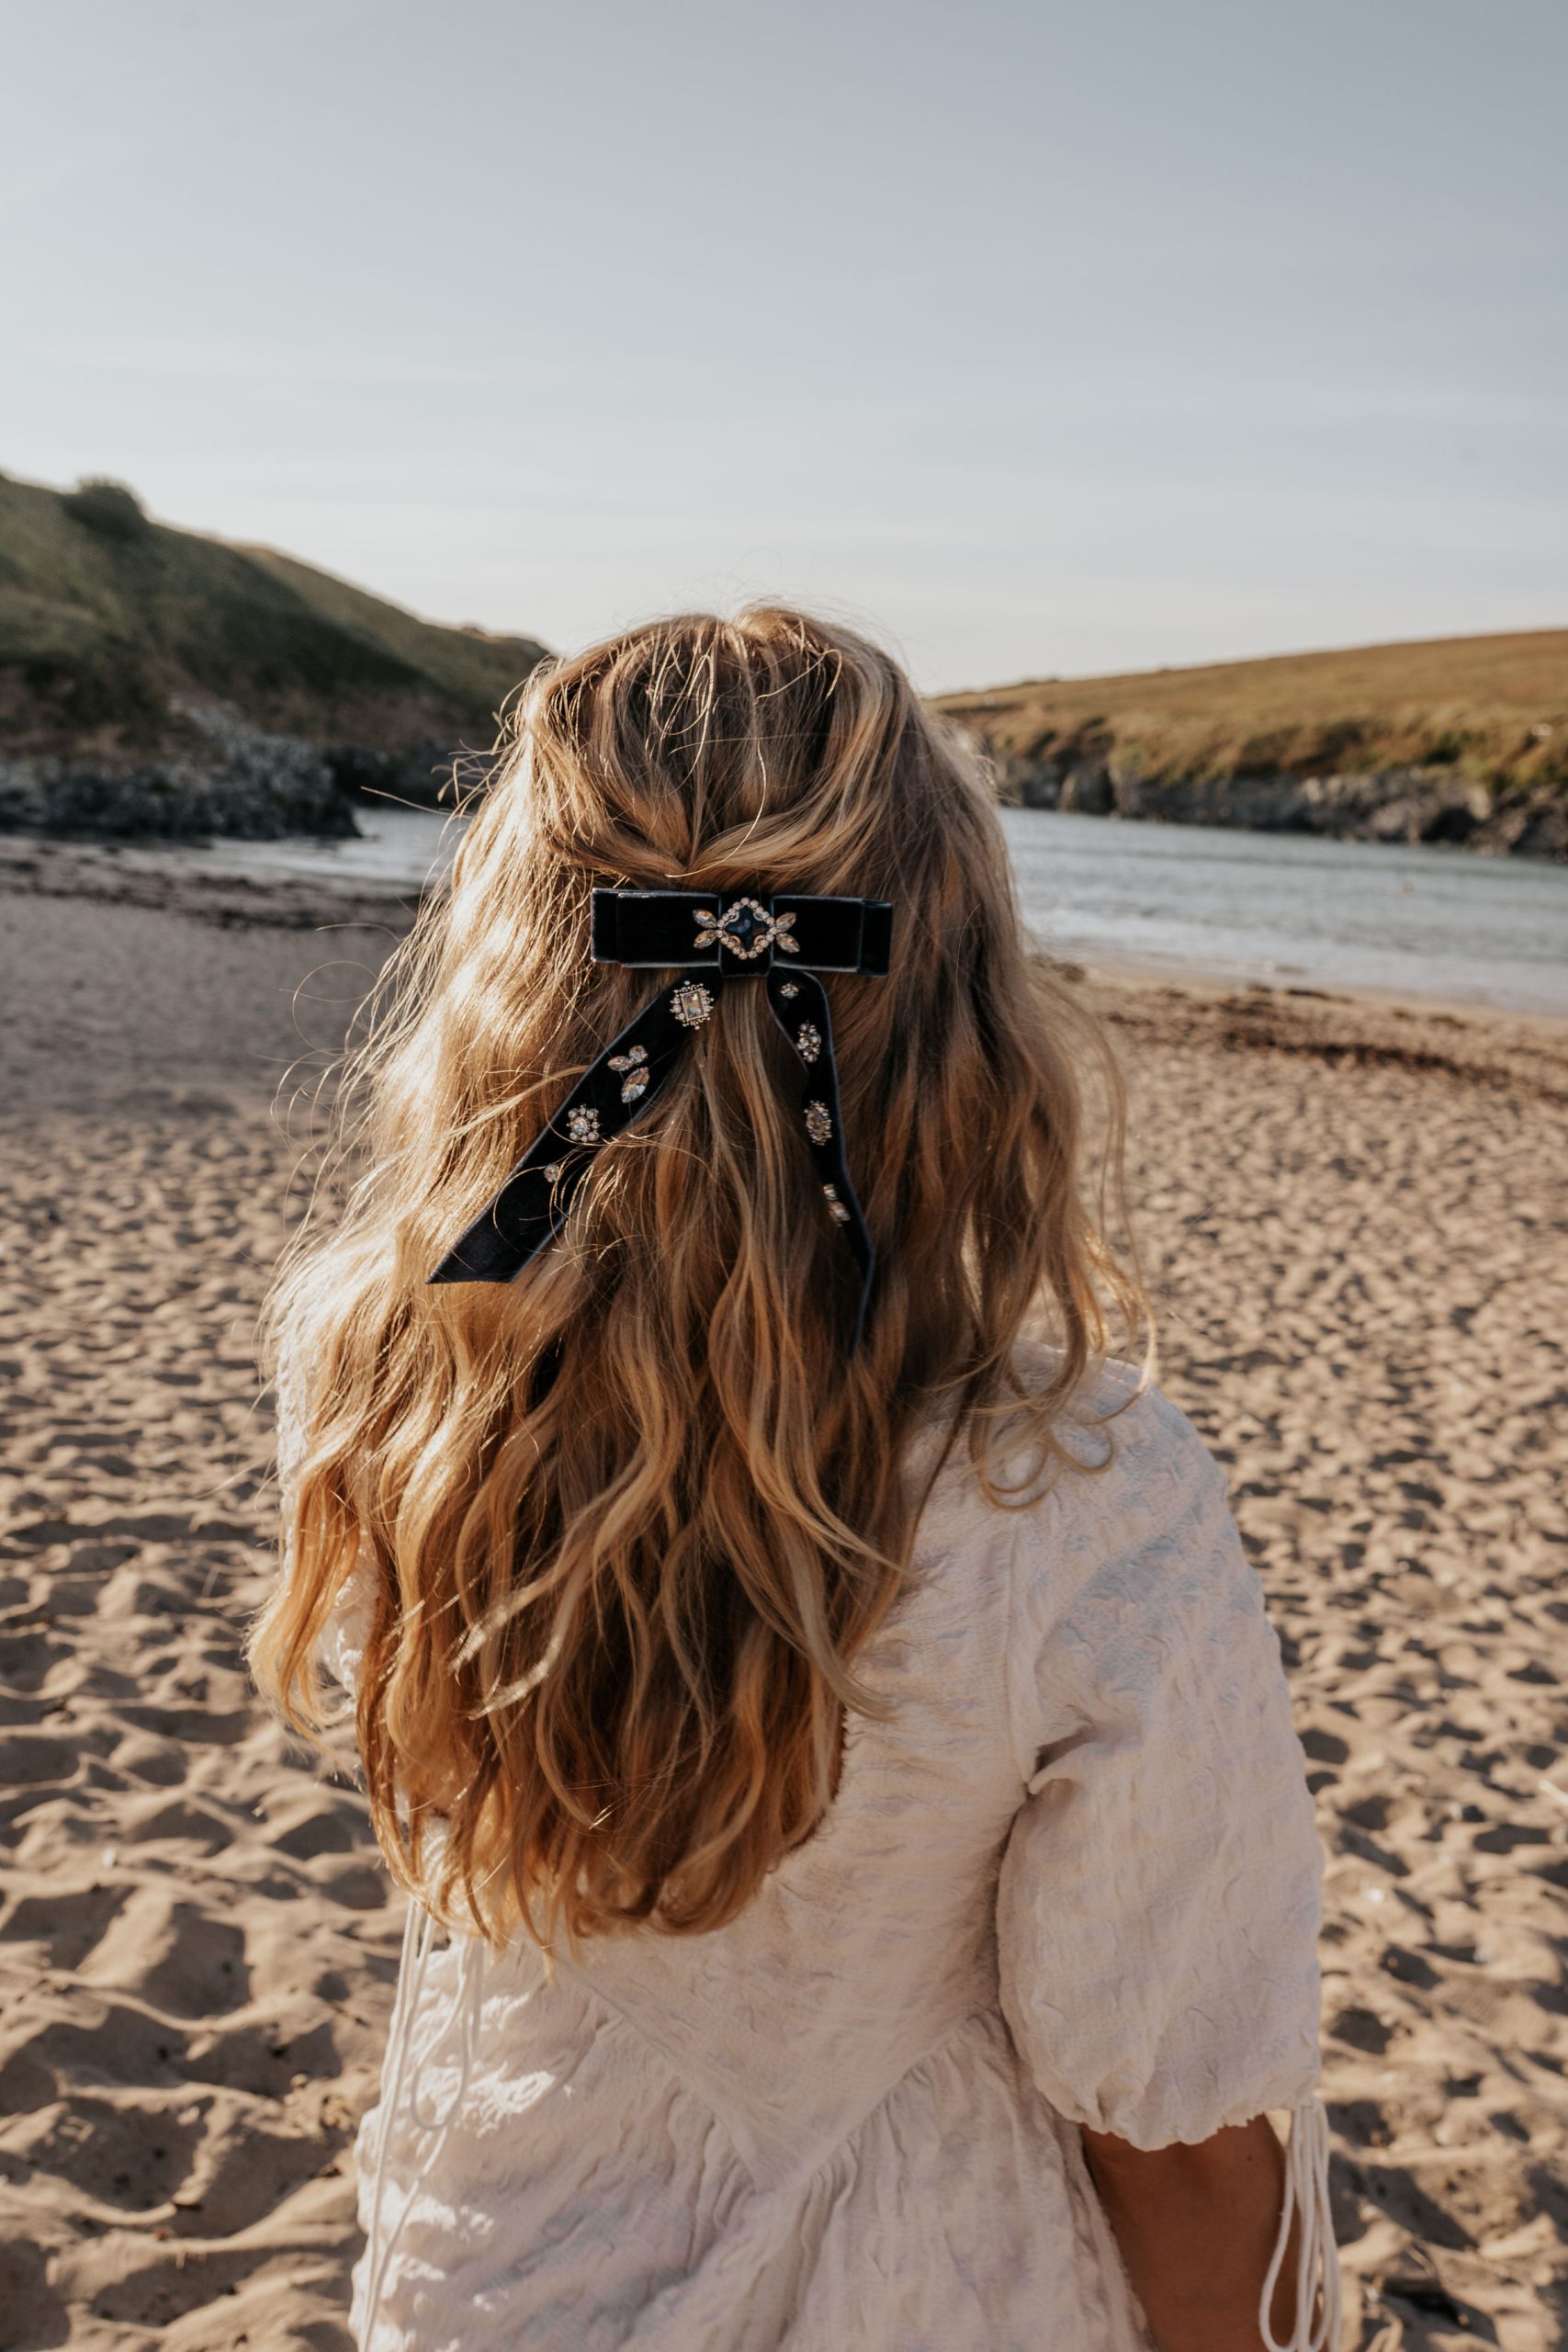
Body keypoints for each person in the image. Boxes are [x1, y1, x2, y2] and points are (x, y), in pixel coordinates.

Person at [254, 607, 1339, 2352]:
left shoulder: (399, 1371)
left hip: (500, 2270)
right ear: (959, 991)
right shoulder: (1080, 1488)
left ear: (520, 962)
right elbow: (1173, 2124)